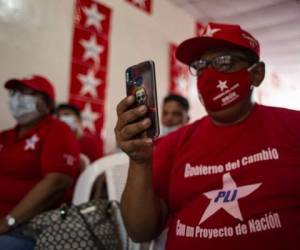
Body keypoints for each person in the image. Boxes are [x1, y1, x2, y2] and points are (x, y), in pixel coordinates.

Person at [115, 22, 300, 249]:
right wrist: (139, 162)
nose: (210, 75)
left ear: (257, 74)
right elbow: (140, 230)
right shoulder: (174, 143)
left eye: (225, 62)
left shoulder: (293, 127)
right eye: (201, 66)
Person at [0, 75, 80, 249]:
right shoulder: (5, 136)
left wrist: (8, 221)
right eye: (14, 92)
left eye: (27, 93)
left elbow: (57, 181)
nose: (17, 98)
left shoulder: (58, 130)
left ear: (47, 104)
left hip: (28, 228)